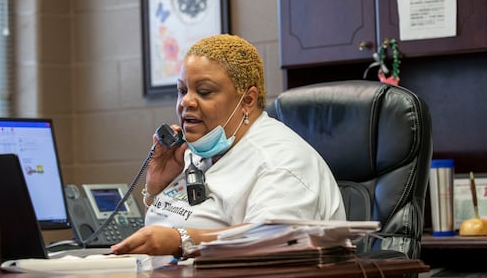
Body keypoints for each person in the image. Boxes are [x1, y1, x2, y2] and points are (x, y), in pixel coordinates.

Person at [111, 34, 346, 258]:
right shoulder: (195, 153)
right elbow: (162, 231)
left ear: (247, 100)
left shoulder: (281, 162)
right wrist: (156, 188)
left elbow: (273, 241)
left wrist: (183, 240)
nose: (185, 102)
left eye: (204, 92)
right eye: (182, 90)